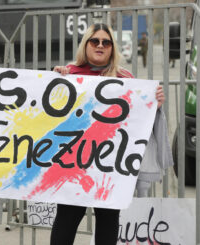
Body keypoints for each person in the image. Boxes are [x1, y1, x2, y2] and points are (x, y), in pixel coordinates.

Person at [50, 23, 168, 245]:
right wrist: (53, 81)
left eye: (106, 42)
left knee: (108, 219)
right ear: (85, 45)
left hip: (109, 165)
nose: (100, 45)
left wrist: (155, 104)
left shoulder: (127, 78)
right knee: (67, 218)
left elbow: (139, 121)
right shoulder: (69, 73)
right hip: (74, 164)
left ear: (113, 48)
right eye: (95, 41)